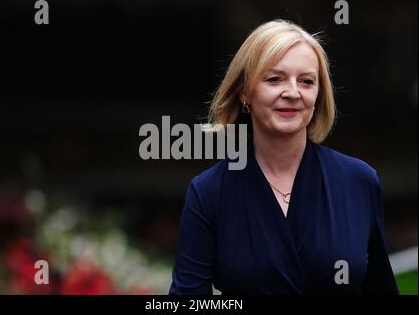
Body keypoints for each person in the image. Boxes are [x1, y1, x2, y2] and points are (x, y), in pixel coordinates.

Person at [169, 20, 398, 295]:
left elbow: (381, 288)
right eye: (274, 79)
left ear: (318, 94)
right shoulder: (209, 192)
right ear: (245, 92)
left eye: (306, 81)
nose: (292, 92)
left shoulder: (359, 180)